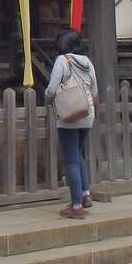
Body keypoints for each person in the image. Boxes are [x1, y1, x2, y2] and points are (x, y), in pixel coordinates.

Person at [45, 27, 97, 219]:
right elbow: (95, 90)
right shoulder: (88, 62)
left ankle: (76, 206)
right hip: (87, 113)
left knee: (71, 160)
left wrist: (47, 99)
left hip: (69, 115)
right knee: (78, 154)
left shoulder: (62, 60)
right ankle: (85, 194)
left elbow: (52, 88)